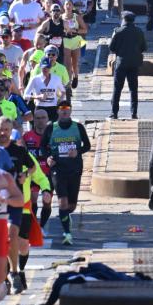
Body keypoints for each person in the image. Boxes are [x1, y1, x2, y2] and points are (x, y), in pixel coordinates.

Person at [40, 102, 90, 245]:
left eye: (67, 110)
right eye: (62, 110)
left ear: (70, 112)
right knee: (62, 202)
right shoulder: (51, 128)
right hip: (57, 169)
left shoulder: (78, 127)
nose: (64, 112)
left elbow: (87, 145)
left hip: (74, 169)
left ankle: (66, 218)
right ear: (57, 112)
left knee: (71, 206)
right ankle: (67, 233)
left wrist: (78, 151)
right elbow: (43, 146)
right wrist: (48, 157)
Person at [108, 12, 146, 119]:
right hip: (134, 64)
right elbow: (144, 47)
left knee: (117, 88)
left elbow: (112, 47)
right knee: (133, 89)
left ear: (123, 19)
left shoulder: (118, 31)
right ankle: (134, 113)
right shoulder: (139, 31)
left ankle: (114, 113)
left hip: (121, 63)